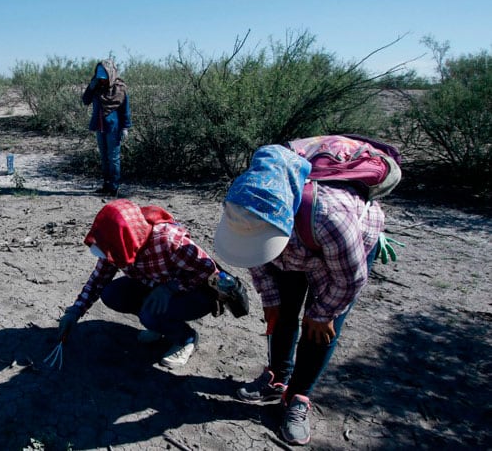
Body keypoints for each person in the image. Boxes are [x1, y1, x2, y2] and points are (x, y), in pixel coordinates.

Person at [213, 144, 384, 445]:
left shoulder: (329, 218)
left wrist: (322, 313)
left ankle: (298, 397)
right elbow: (252, 255)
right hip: (293, 250)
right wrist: (270, 299)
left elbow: (352, 278)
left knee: (318, 330)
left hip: (338, 258)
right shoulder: (244, 204)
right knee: (282, 313)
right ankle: (277, 377)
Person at [57, 199, 222, 369]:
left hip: (195, 292)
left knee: (149, 314)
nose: (107, 256)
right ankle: (159, 324)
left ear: (124, 239)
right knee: (112, 294)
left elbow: (211, 272)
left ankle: (185, 338)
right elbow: (99, 278)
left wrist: (170, 288)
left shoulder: (169, 241)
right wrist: (76, 310)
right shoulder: (117, 243)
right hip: (156, 285)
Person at [81, 59, 132, 196]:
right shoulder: (96, 87)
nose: (101, 81)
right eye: (100, 78)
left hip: (113, 128)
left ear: (111, 74)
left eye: (104, 78)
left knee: (113, 158)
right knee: (104, 157)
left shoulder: (119, 89)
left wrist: (125, 127)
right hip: (99, 127)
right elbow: (85, 101)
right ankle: (106, 185)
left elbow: (125, 109)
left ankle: (114, 187)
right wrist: (90, 87)